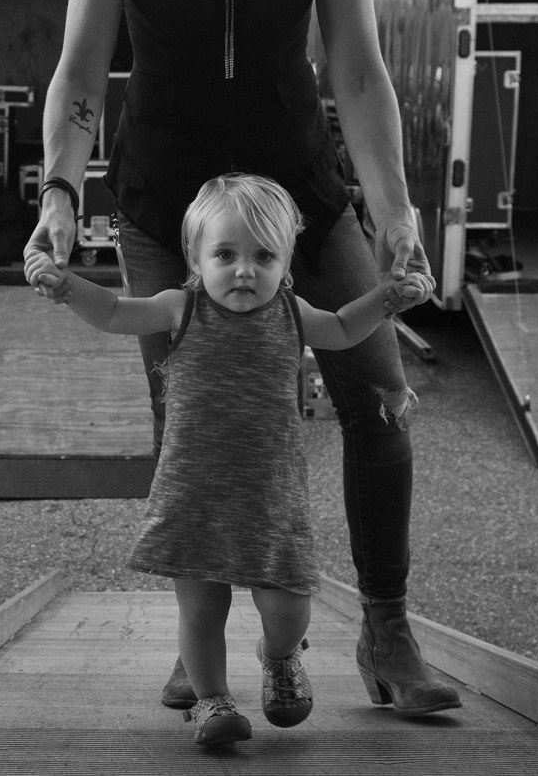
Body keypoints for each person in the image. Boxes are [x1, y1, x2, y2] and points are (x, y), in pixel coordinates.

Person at [23, 0, 460, 719]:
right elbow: (81, 66)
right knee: (192, 425)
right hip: (163, 196)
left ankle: (387, 632)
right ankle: (202, 647)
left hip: (298, 188)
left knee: (379, 400)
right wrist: (57, 191)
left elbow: (355, 67)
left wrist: (392, 213)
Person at [27, 173, 405, 744]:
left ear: (286, 264)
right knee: (202, 611)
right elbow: (110, 312)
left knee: (290, 609)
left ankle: (278, 658)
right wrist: (64, 285)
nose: (245, 270)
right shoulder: (180, 307)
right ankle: (213, 700)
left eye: (264, 256)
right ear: (195, 257)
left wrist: (388, 297)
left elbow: (349, 327)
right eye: (225, 254)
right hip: (195, 494)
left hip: (269, 496)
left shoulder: (292, 313)